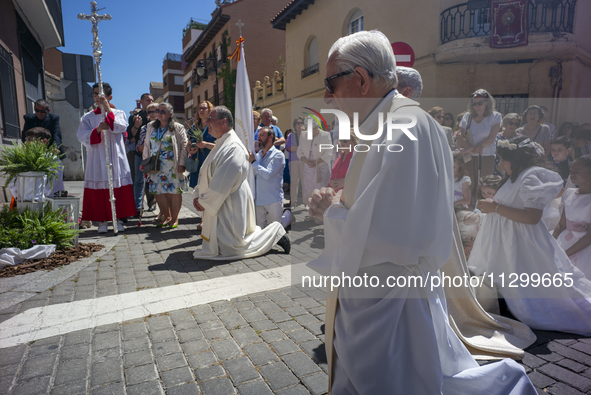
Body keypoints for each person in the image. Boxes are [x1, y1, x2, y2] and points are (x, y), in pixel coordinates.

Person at [307, 30, 535, 394]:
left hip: (392, 297)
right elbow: (387, 206)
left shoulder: (404, 126)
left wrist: (331, 212)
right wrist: (340, 202)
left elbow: (395, 235)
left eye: (331, 83)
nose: (327, 96)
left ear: (362, 80)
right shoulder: (388, 123)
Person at [469, 135, 591, 335]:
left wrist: (495, 207)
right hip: (505, 237)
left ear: (514, 159)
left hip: (519, 239)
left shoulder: (530, 176)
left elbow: (533, 217)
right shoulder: (515, 176)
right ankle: (502, 304)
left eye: (501, 158)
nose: (499, 163)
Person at [192, 106, 290, 259]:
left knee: (234, 246)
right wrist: (198, 193)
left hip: (230, 202)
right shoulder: (221, 143)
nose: (207, 122)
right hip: (222, 202)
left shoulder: (233, 147)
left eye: (210, 119)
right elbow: (207, 171)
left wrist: (204, 200)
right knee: (224, 243)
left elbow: (223, 181)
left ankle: (275, 232)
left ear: (223, 121)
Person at [77, 83, 137, 233]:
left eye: (101, 94)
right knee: (100, 185)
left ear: (109, 97)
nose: (98, 97)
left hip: (115, 156)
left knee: (117, 185)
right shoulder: (88, 117)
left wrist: (108, 109)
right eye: (95, 94)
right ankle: (102, 222)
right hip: (97, 157)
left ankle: (118, 219)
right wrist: (96, 131)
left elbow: (120, 127)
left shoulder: (119, 113)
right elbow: (81, 137)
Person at [141, 103, 188, 229]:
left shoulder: (178, 127)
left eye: (162, 111)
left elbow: (184, 147)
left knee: (174, 192)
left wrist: (182, 164)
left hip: (173, 165)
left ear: (170, 114)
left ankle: (174, 218)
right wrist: (144, 162)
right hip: (155, 166)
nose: (159, 113)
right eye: (158, 111)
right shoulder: (150, 126)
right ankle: (166, 217)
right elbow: (146, 145)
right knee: (158, 192)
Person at [456, 89, 502, 199]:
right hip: (469, 157)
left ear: (487, 102)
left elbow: (491, 139)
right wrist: (472, 150)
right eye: (474, 103)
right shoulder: (467, 116)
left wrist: (471, 148)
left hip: (486, 156)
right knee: (468, 186)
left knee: (484, 188)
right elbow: (459, 135)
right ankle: (470, 212)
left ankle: (483, 212)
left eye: (480, 103)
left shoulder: (495, 116)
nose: (477, 106)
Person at [554, 155, 591, 278]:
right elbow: (561, 225)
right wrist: (551, 244)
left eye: (577, 171)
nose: (572, 174)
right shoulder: (569, 193)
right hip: (565, 240)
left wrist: (565, 254)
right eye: (571, 171)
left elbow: (589, 237)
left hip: (585, 248)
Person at [21, 99, 65, 193]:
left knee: (54, 176)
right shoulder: (29, 118)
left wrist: (55, 148)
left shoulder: (54, 118)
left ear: (48, 111)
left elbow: (57, 134)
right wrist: (25, 146)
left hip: (50, 148)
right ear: (34, 109)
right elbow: (25, 134)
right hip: (34, 150)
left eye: (42, 111)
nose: (39, 113)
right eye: (37, 110)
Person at [249, 127, 285, 228]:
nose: (258, 138)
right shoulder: (258, 154)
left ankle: (288, 217)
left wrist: (253, 162)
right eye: (258, 135)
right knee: (260, 232)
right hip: (259, 201)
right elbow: (255, 173)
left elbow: (268, 174)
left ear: (270, 138)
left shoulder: (278, 155)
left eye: (261, 135)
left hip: (273, 201)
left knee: (273, 232)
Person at [127, 93, 154, 213]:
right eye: (148, 100)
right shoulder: (136, 117)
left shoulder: (157, 116)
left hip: (153, 153)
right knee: (138, 179)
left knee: (152, 180)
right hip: (138, 153)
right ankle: (137, 206)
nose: (151, 102)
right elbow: (131, 135)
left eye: (152, 100)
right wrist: (137, 126)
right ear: (141, 102)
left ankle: (152, 203)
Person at [297, 118, 332, 209]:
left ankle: (322, 214)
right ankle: (311, 214)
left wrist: (317, 161)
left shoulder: (325, 135)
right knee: (309, 192)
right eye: (309, 129)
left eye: (313, 129)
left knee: (321, 192)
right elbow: (299, 151)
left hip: (321, 167)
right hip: (308, 168)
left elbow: (329, 151)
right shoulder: (303, 135)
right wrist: (305, 160)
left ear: (317, 127)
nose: (311, 131)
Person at [186, 101, 216, 189]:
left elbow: (221, 146)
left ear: (209, 110)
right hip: (196, 164)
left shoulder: (214, 126)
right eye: (199, 108)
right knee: (197, 192)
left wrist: (206, 144)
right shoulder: (194, 127)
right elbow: (188, 144)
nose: (201, 110)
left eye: (204, 108)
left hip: (210, 164)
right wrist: (189, 150)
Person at [136, 103, 159, 212]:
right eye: (149, 112)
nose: (152, 114)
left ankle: (163, 211)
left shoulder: (166, 126)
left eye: (155, 111)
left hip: (164, 160)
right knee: (149, 184)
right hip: (149, 160)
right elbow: (139, 147)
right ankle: (149, 204)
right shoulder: (144, 128)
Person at [287, 117, 304, 208]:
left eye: (302, 123)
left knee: (305, 182)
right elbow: (289, 148)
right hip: (293, 161)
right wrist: (301, 149)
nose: (300, 124)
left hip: (304, 161)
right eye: (298, 123)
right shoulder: (290, 135)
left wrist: (296, 148)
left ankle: (306, 202)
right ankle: (293, 202)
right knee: (294, 182)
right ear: (295, 125)